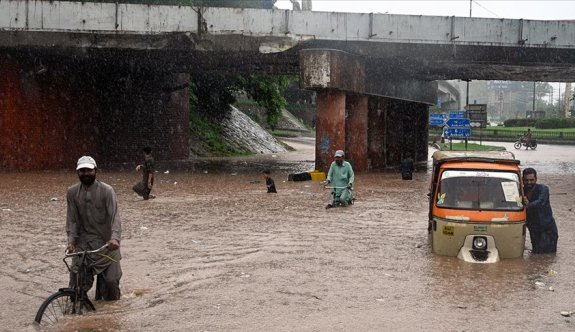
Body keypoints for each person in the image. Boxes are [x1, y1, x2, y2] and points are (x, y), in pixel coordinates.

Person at [66, 156, 122, 300]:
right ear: (78, 173)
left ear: (95, 171)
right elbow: (72, 219)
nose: (85, 174)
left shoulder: (107, 191)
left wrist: (115, 239)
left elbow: (115, 217)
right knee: (76, 286)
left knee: (110, 282)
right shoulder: (72, 192)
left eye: (89, 170)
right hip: (84, 244)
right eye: (82, 171)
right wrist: (71, 241)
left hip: (107, 245)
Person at [522, 167, 558, 254]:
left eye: (531, 180)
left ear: (536, 179)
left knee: (547, 257)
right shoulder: (521, 191)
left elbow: (540, 202)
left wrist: (528, 205)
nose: (529, 182)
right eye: (526, 180)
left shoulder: (543, 189)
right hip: (534, 230)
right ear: (522, 180)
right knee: (536, 254)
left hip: (547, 230)